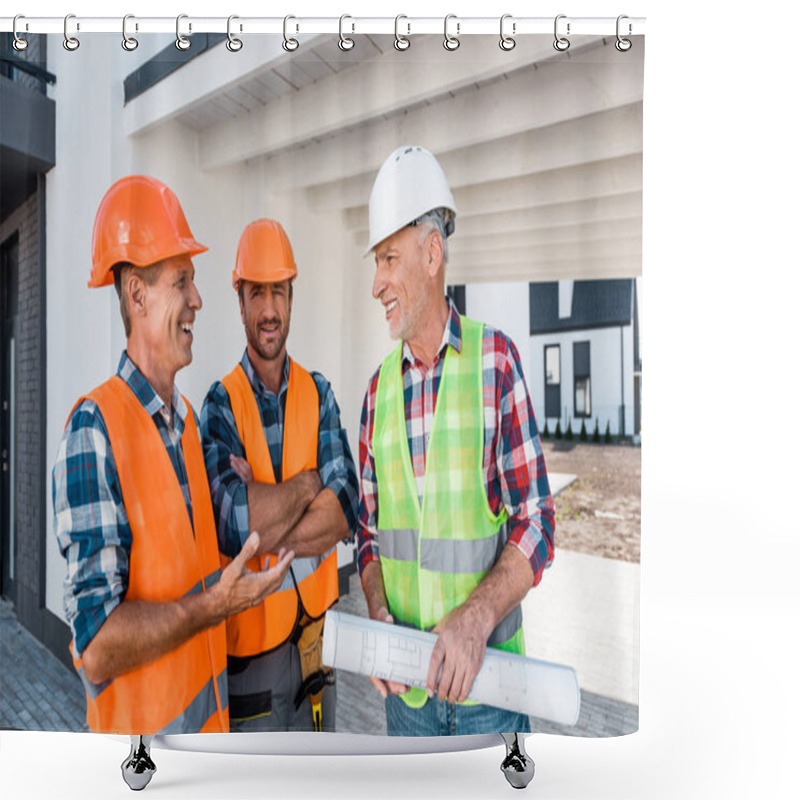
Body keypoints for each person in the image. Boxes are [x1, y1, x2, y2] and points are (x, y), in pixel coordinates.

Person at [52, 176, 294, 740]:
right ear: (137, 295)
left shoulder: (185, 426)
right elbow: (97, 647)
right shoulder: (94, 430)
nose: (197, 300)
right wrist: (214, 606)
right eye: (182, 281)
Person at [358, 146, 556, 736]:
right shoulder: (377, 395)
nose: (376, 284)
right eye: (376, 263)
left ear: (432, 254)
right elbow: (368, 538)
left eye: (389, 259)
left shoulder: (496, 363)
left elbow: (538, 519)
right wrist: (375, 610)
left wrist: (475, 618)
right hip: (407, 705)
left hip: (491, 692)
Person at [201, 219, 359, 732]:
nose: (269, 310)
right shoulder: (220, 406)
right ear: (240, 301)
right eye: (256, 293)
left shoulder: (320, 394)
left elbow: (345, 513)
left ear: (291, 298)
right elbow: (233, 526)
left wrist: (264, 517)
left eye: (278, 292)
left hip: (319, 645)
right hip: (252, 659)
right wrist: (310, 483)